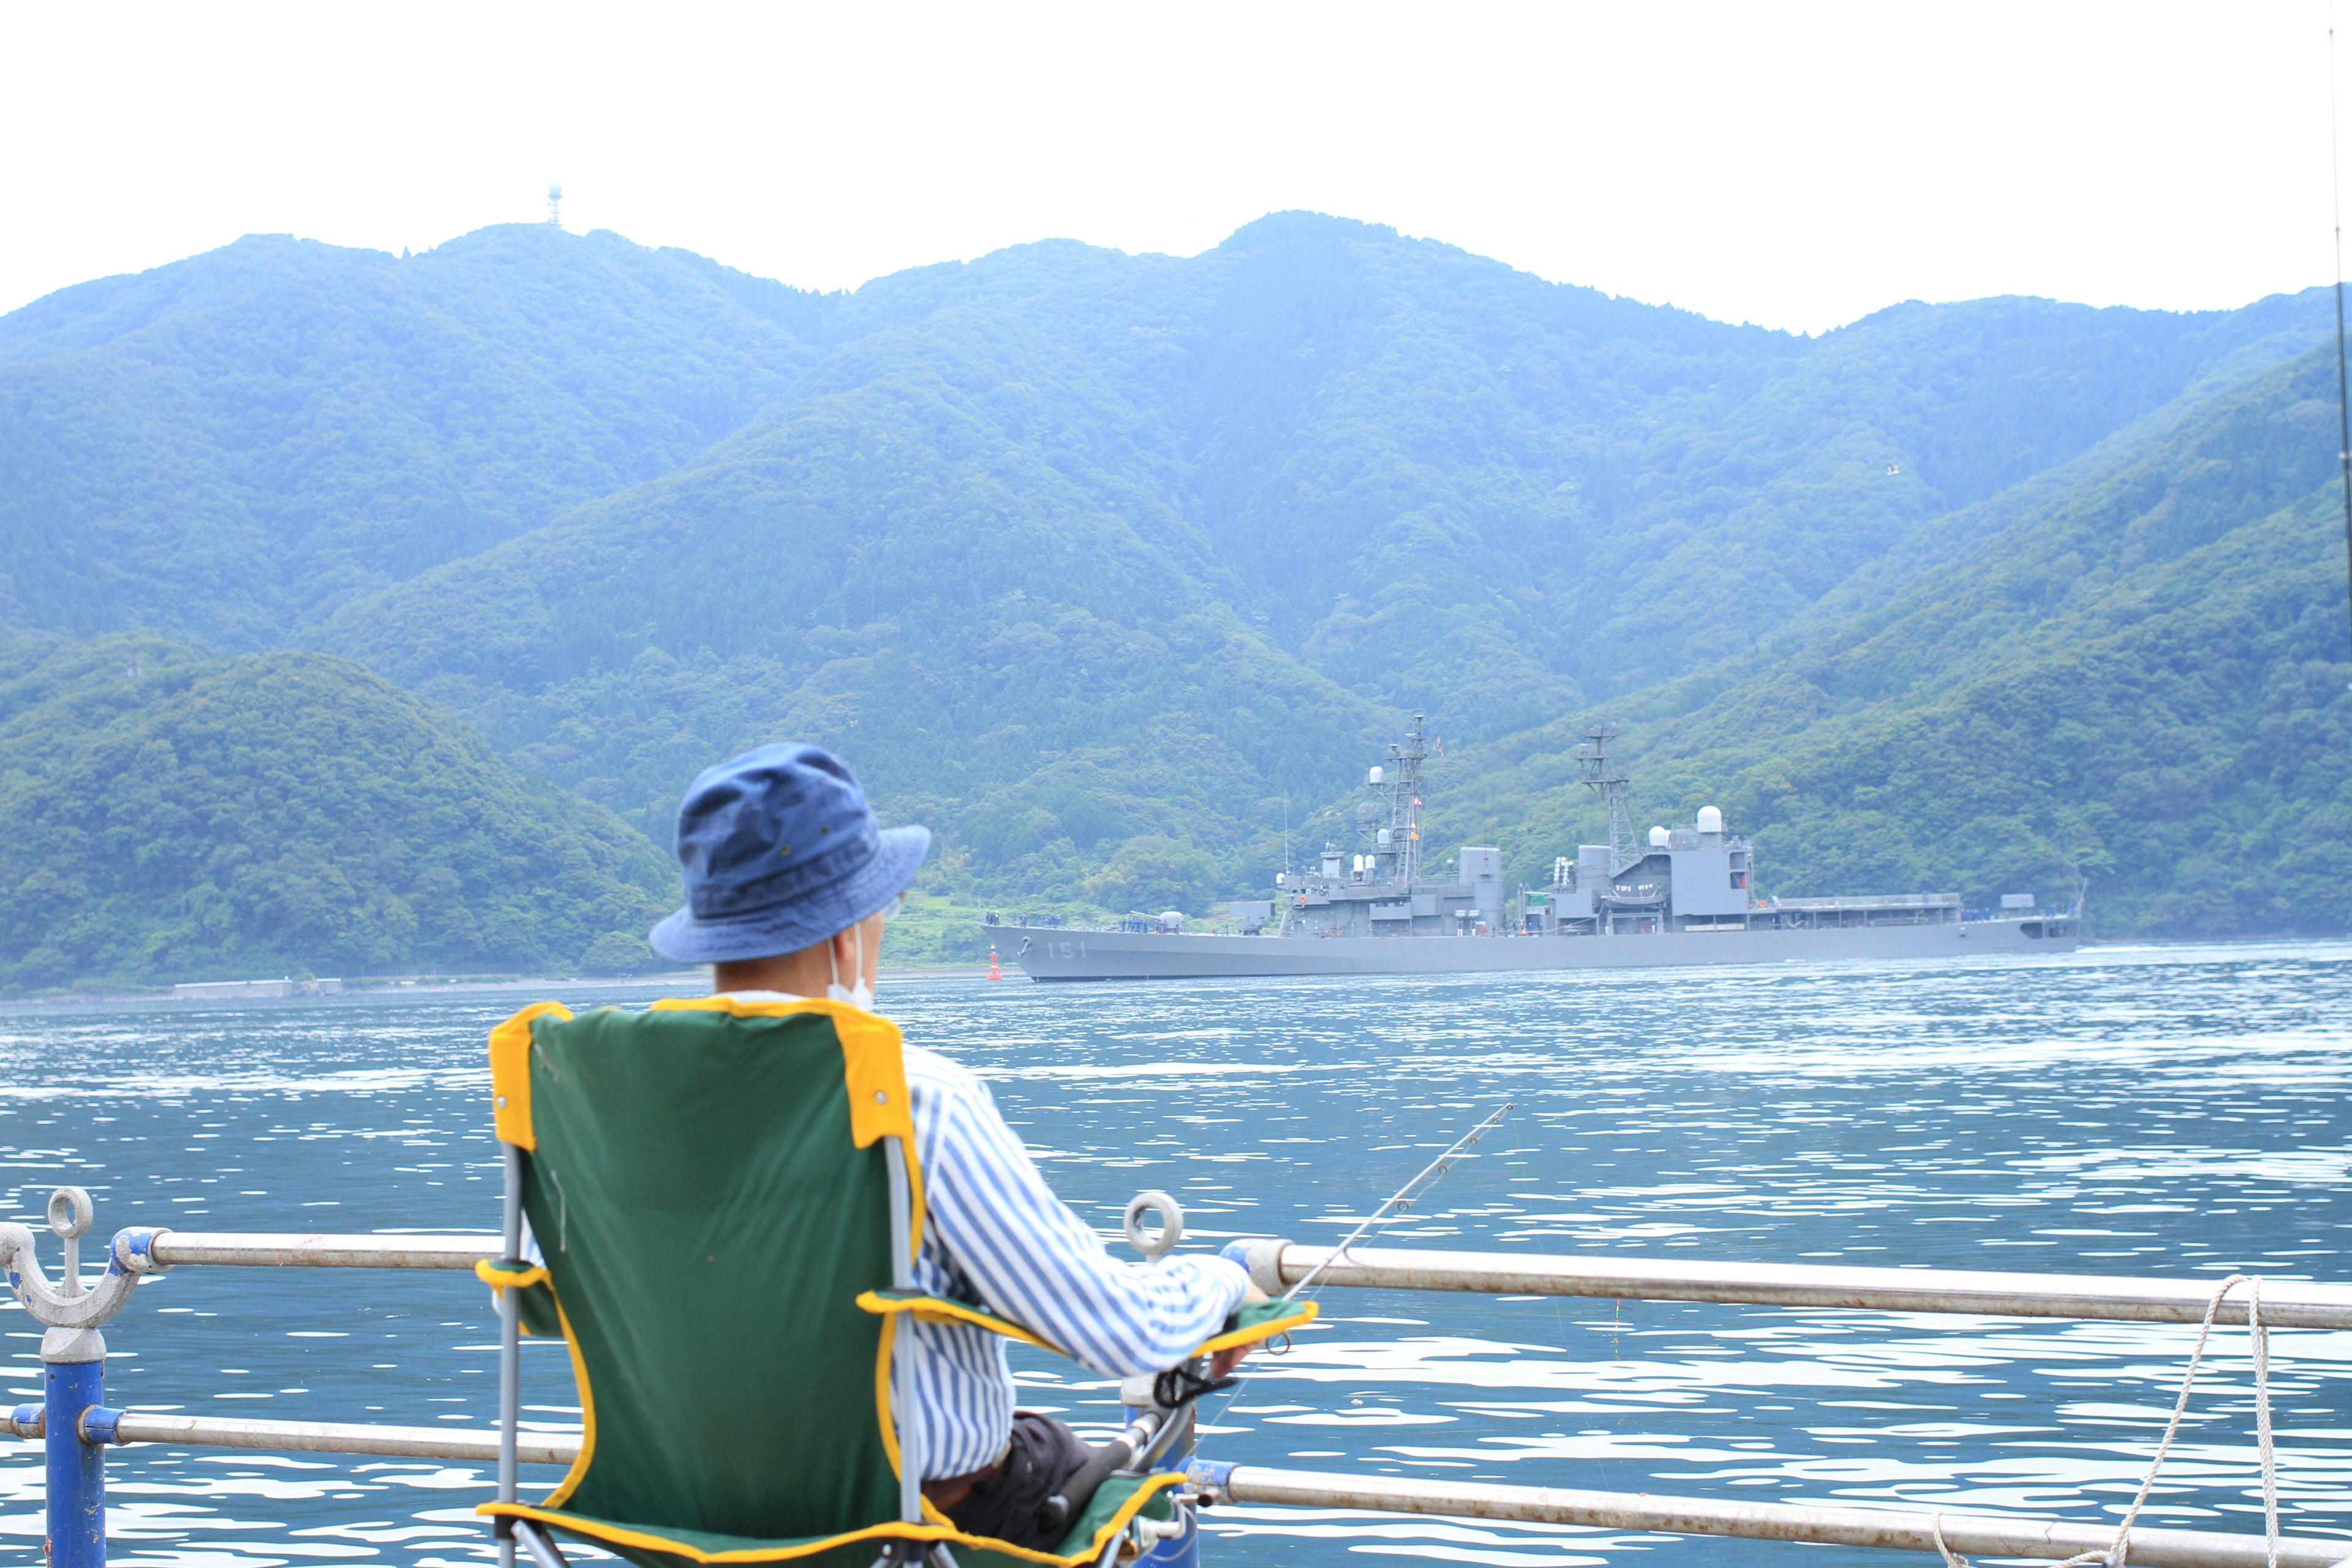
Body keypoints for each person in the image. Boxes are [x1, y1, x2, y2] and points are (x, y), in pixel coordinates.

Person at [644, 742, 1264, 1548]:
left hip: (694, 1523)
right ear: (844, 935)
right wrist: (1222, 1279)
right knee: (1152, 1513)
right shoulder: (911, 1100)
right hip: (914, 1524)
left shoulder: (602, 1100)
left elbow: (519, 1297)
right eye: (882, 912)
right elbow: (1117, 1333)